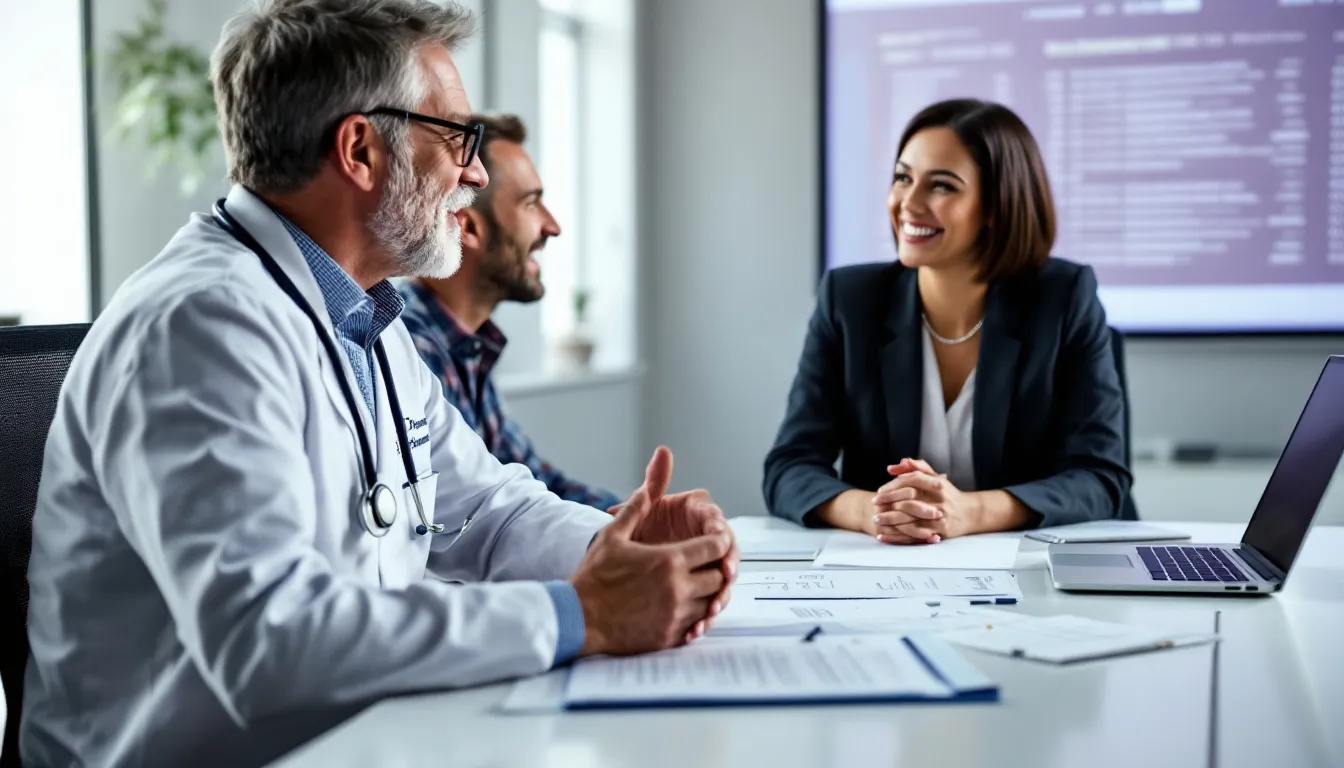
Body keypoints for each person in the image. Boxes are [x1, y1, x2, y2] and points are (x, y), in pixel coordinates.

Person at [21, 2, 737, 766]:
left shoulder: (363, 313)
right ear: (360, 149)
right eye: (457, 137)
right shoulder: (199, 327)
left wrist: (614, 543)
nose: (474, 172)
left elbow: (486, 512)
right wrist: (582, 613)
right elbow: (269, 638)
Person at [763, 98, 1132, 544]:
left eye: (941, 186)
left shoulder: (1063, 297)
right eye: (903, 178)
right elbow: (790, 467)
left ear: (997, 205)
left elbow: (1101, 479)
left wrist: (969, 512)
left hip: (1037, 567)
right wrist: (873, 511)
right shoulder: (849, 300)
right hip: (894, 570)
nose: (908, 203)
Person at [398, 113, 622, 511]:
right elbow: (481, 515)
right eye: (531, 203)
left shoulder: (467, 346)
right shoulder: (413, 351)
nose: (552, 227)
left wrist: (639, 522)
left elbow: (534, 482)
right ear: (469, 228)